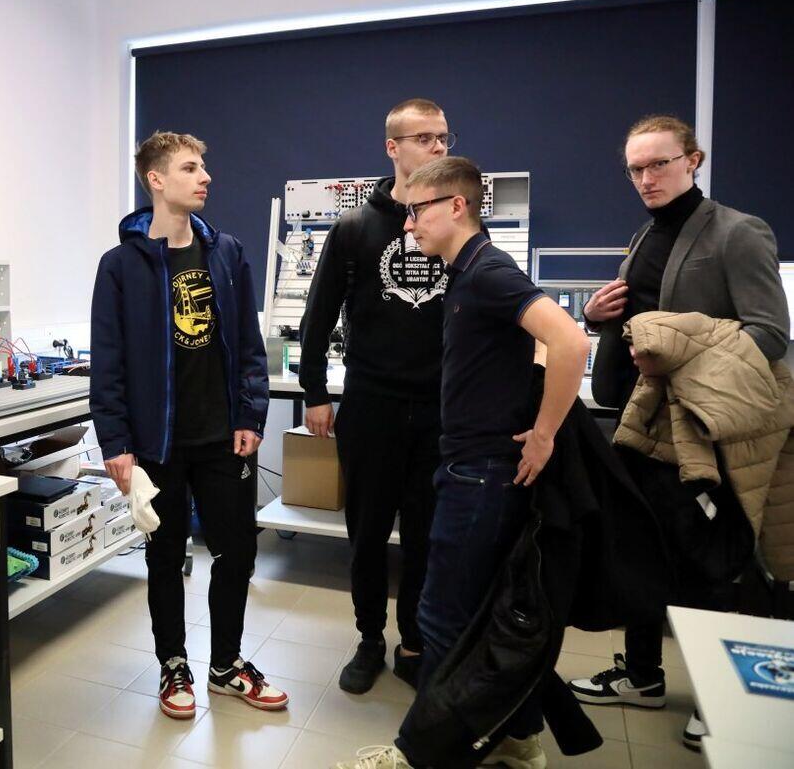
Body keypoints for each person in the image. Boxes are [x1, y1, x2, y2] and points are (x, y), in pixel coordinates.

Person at [335, 157, 591, 769]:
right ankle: (518, 739)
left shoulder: (486, 272)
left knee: (442, 618)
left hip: (479, 474)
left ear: (456, 206)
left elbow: (570, 340)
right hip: (477, 468)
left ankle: (421, 756)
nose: (408, 226)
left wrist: (545, 434)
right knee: (485, 613)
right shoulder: (469, 272)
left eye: (417, 212)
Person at [570, 115, 789, 750]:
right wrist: (595, 316)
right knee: (640, 554)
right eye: (636, 169)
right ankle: (642, 676)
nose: (646, 178)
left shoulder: (738, 232)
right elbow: (642, 318)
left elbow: (770, 333)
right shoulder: (646, 233)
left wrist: (684, 358)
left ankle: (718, 700)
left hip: (697, 431)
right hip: (639, 422)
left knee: (708, 566)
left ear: (693, 160)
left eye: (659, 164)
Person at [90, 130, 287, 720]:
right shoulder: (120, 266)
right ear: (156, 179)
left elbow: (249, 345)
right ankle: (173, 664)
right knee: (165, 555)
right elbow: (108, 361)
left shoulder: (226, 252)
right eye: (190, 168)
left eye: (203, 167)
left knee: (238, 552)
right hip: (157, 442)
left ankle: (225, 666)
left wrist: (251, 414)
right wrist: (116, 441)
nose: (205, 177)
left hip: (223, 437)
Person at [298, 98, 454, 692]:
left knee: (426, 535)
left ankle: (414, 642)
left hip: (439, 410)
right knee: (366, 534)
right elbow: (317, 318)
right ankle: (369, 640)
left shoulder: (457, 222)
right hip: (371, 406)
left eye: (444, 138)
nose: (437, 147)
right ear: (393, 147)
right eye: (424, 138)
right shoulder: (354, 229)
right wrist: (315, 392)